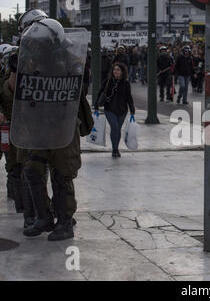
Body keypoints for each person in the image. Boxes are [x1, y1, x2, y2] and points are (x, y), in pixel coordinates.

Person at [15, 15, 91, 240]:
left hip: (62, 126)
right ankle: (44, 216)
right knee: (32, 170)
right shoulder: (31, 60)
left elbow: (80, 89)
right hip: (39, 125)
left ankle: (65, 222)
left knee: (62, 175)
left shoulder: (70, 60)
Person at [95, 62, 135, 157]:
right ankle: (114, 149)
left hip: (122, 110)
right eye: (114, 69)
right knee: (115, 127)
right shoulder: (108, 80)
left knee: (118, 130)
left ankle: (116, 148)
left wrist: (132, 109)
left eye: (118, 70)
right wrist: (96, 106)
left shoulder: (125, 83)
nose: (115, 71)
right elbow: (100, 92)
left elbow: (129, 97)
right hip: (109, 109)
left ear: (122, 72)